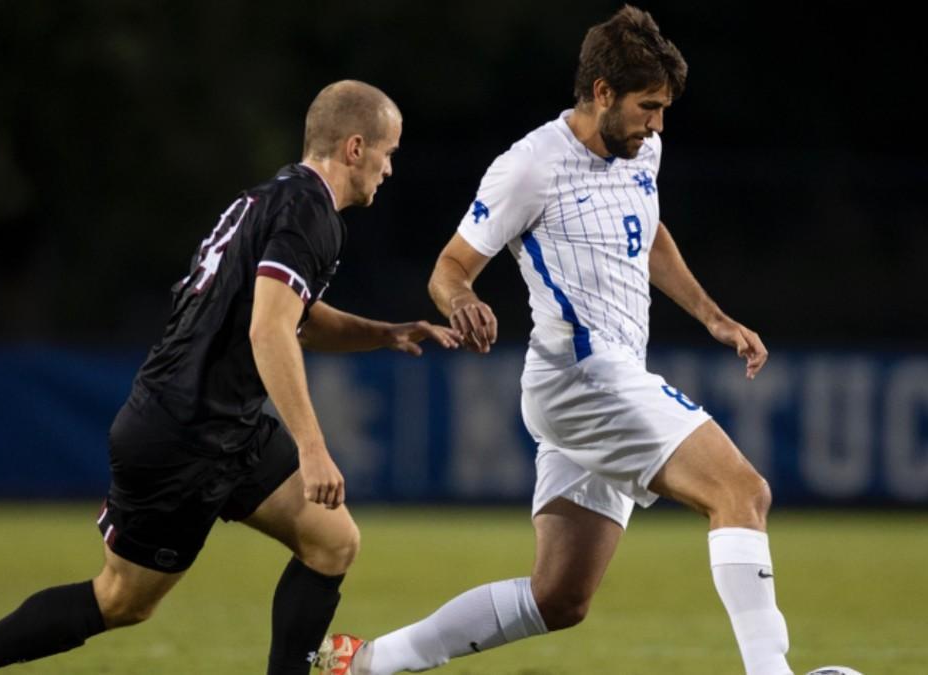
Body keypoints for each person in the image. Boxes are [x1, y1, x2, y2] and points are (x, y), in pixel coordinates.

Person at [0, 79, 460, 675]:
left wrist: (383, 333)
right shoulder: (310, 214)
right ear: (355, 147)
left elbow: (293, 319)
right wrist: (312, 446)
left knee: (332, 541)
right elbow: (269, 331)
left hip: (225, 425)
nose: (390, 168)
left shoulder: (276, 198)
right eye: (389, 151)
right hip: (181, 434)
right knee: (122, 600)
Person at [316, 7, 796, 675]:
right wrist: (464, 299)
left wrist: (711, 315)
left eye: (663, 109)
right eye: (647, 106)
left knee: (560, 596)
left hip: (604, 376)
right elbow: (448, 267)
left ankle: (365, 661)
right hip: (582, 376)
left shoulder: (641, 148)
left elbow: (649, 231)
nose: (658, 123)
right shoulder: (530, 166)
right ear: (602, 92)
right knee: (742, 491)